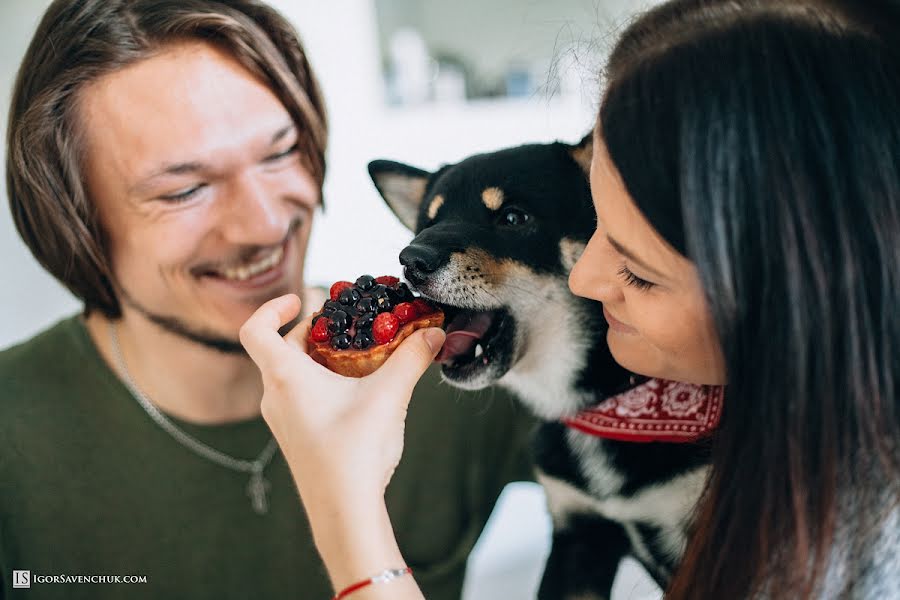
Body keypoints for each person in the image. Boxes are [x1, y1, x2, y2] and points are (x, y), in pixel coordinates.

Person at [241, 0, 900, 598]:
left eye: (638, 269)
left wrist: (345, 504)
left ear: (793, 286)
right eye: (597, 228)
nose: (584, 280)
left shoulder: (860, 552)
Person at [0, 1, 536, 599]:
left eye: (280, 152)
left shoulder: (463, 358)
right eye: (184, 189)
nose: (263, 224)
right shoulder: (13, 437)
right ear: (73, 220)